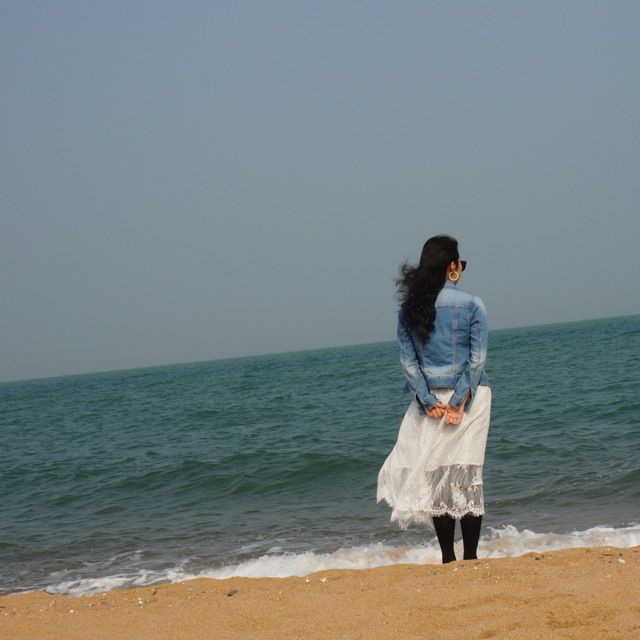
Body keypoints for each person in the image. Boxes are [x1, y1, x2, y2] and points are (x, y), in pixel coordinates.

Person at [376, 234, 491, 564]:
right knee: (466, 474)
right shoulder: (473, 304)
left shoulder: (409, 310)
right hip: (471, 399)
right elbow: (477, 361)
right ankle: (471, 557)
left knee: (438, 474)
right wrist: (460, 401)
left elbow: (408, 363)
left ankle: (447, 558)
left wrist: (427, 400)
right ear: (452, 266)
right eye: (460, 264)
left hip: (432, 403)